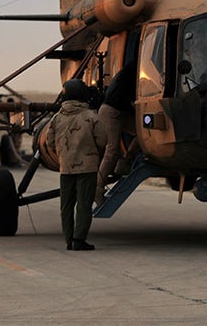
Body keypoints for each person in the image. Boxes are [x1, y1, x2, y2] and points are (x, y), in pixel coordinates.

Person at [45, 79, 108, 251]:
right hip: (87, 167)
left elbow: (49, 141)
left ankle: (68, 239)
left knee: (66, 205)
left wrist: (63, 154)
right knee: (84, 204)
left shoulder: (57, 118)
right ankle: (79, 239)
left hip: (65, 167)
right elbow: (103, 140)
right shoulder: (91, 117)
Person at [97, 56, 138, 204]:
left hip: (120, 112)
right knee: (112, 150)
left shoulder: (129, 72)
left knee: (143, 133)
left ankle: (126, 161)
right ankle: (98, 187)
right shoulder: (136, 73)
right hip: (111, 111)